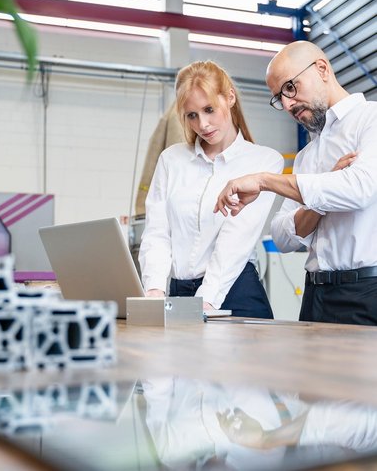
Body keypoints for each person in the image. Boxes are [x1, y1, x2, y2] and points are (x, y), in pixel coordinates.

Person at [215, 40, 377, 325]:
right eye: (279, 97)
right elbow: (282, 237)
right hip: (316, 295)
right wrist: (322, 198)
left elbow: (359, 189)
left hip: (365, 292)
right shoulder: (306, 156)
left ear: (322, 69)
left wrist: (265, 181)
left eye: (290, 87)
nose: (287, 104)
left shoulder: (370, 120)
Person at [139, 60, 284, 317]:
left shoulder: (264, 161)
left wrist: (205, 301)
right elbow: (157, 233)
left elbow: (236, 240)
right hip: (179, 293)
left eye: (209, 110)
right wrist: (154, 290)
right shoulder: (171, 160)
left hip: (234, 292)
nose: (203, 124)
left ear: (229, 98)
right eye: (192, 115)